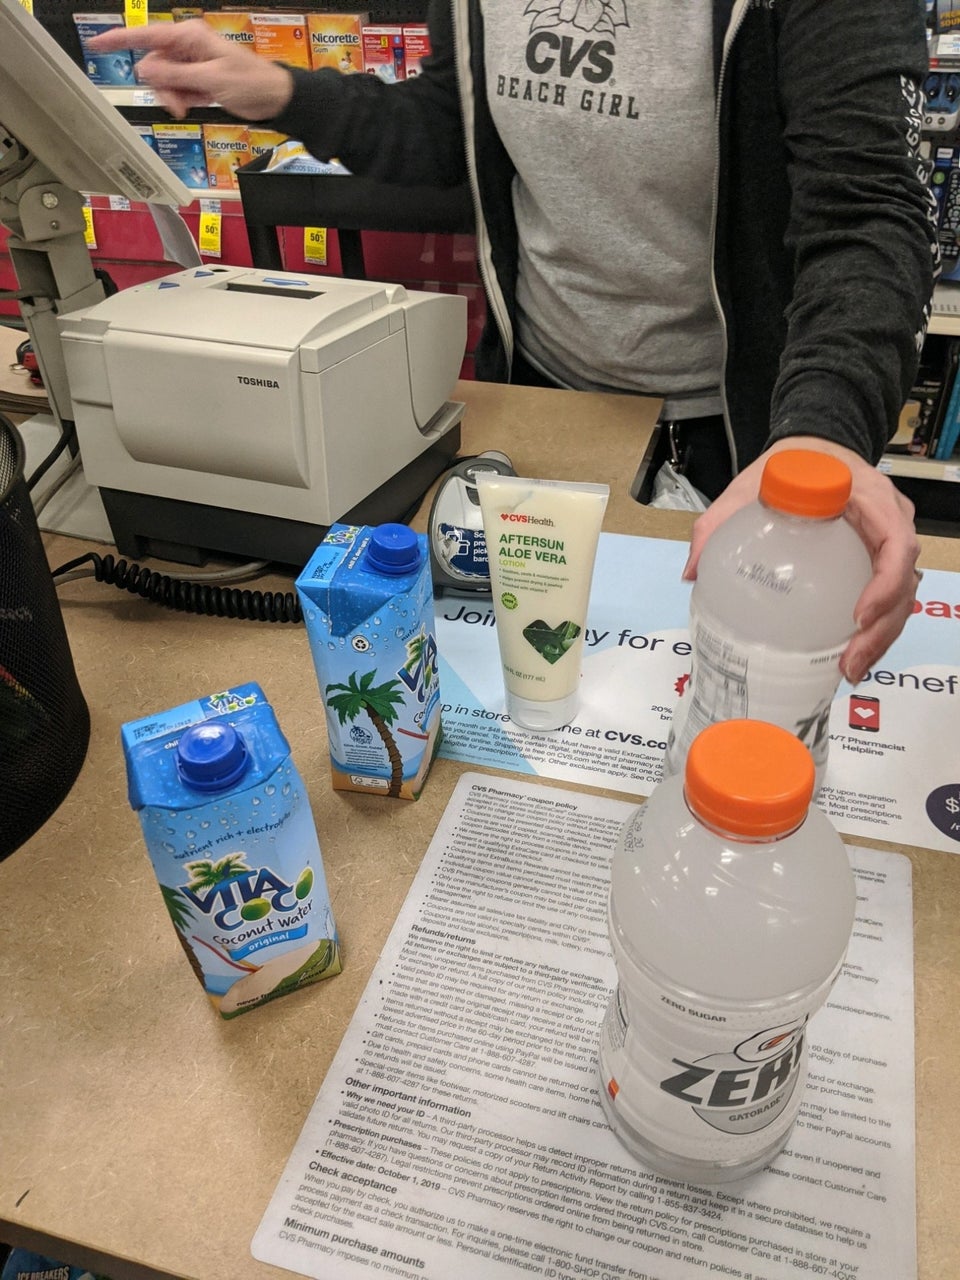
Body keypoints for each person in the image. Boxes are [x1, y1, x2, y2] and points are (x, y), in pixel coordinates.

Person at [91, 2, 935, 685]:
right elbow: (454, 125)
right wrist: (282, 91)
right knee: (536, 683)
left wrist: (821, 438)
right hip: (545, 403)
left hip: (748, 437)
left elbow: (867, 217)